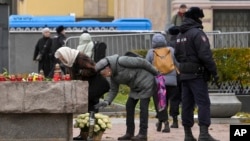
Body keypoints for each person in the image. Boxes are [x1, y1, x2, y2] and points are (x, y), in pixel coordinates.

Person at [174, 7, 219, 141]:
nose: (201, 20)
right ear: (196, 18)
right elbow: (205, 55)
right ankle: (204, 134)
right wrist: (214, 72)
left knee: (187, 104)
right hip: (197, 75)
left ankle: (188, 135)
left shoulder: (180, 35)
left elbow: (176, 55)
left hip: (184, 74)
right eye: (200, 18)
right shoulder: (197, 34)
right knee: (203, 103)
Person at [94, 54, 158, 141]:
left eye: (103, 73)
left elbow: (142, 62)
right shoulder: (113, 75)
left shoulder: (122, 61)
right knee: (129, 106)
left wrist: (156, 73)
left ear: (107, 67)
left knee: (143, 107)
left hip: (146, 82)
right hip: (135, 87)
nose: (104, 76)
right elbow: (113, 90)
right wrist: (106, 101)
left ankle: (143, 134)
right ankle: (129, 133)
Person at [54, 47, 110, 140]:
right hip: (86, 87)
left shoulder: (80, 57)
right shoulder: (69, 61)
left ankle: (91, 134)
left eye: (62, 57)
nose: (62, 60)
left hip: (95, 85)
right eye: (61, 59)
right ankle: (84, 133)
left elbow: (93, 69)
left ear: (66, 54)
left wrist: (79, 72)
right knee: (86, 108)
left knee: (92, 108)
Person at [145, 33, 179, 133]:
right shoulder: (171, 50)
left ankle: (165, 123)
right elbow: (177, 63)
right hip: (172, 81)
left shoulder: (151, 52)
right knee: (170, 101)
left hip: (158, 81)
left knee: (160, 103)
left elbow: (146, 66)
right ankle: (161, 122)